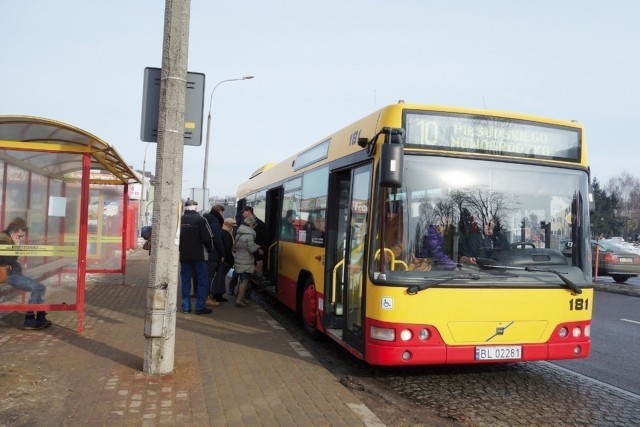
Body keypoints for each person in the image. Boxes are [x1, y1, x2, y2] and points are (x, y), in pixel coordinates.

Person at [0, 217, 51, 330]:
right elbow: (9, 260)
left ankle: (40, 318)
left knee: (40, 287)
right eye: (20, 236)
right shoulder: (3, 240)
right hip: (7, 274)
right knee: (37, 287)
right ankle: (30, 320)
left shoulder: (7, 238)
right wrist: (17, 245)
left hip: (13, 272)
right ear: (14, 232)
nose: (21, 238)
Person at [179, 200, 213, 315]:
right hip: (200, 256)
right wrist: (209, 250)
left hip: (184, 256)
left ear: (186, 208)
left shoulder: (180, 220)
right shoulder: (201, 220)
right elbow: (208, 239)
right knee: (203, 281)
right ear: (196, 208)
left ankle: (186, 307)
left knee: (185, 281)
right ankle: (200, 307)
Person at [414, 203, 456, 270]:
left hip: (436, 262)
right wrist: (452, 266)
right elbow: (436, 251)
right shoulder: (431, 229)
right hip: (424, 264)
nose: (449, 219)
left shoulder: (443, 228)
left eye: (450, 217)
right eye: (447, 216)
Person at [233, 215, 263, 307]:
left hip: (239, 258)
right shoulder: (249, 236)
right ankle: (239, 300)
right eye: (254, 226)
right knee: (245, 281)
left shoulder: (239, 233)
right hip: (246, 260)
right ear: (251, 225)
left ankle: (241, 298)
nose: (255, 228)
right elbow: (251, 249)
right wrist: (258, 247)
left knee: (242, 279)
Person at [203, 204, 226, 303]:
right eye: (222, 212)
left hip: (205, 251)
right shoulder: (215, 221)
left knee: (205, 275)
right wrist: (222, 253)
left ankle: (205, 296)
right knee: (209, 276)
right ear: (219, 211)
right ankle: (207, 298)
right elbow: (217, 239)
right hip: (213, 252)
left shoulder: (205, 219)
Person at [221, 217, 236, 296]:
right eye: (233, 226)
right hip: (226, 259)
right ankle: (219, 294)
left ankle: (219, 293)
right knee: (221, 277)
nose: (233, 228)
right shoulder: (226, 234)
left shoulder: (225, 232)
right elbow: (227, 248)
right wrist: (231, 260)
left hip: (225, 258)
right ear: (229, 226)